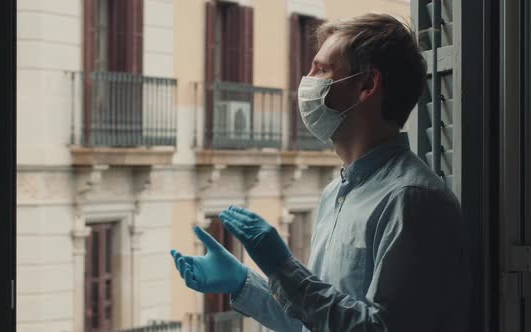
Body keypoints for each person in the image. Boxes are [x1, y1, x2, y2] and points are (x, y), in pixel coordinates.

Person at [170, 13, 470, 332]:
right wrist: (244, 282)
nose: (307, 79)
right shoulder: (335, 194)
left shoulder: (412, 202)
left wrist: (283, 268)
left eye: (322, 69)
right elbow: (314, 322)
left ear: (367, 85)